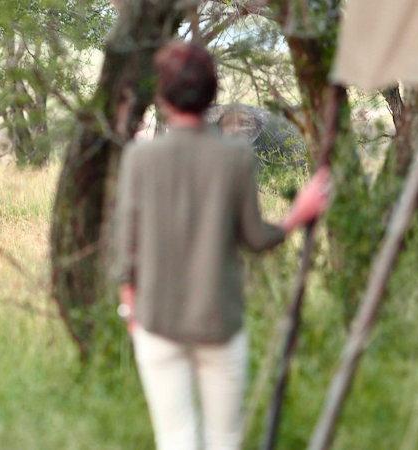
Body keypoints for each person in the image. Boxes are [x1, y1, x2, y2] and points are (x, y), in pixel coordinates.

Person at [110, 41, 331, 450]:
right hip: (219, 321)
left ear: (162, 95)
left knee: (175, 439)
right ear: (212, 93)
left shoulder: (138, 159)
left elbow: (126, 251)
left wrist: (131, 311)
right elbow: (257, 238)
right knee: (224, 439)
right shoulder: (235, 157)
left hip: (156, 320)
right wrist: (297, 213)